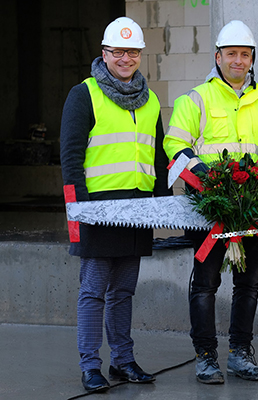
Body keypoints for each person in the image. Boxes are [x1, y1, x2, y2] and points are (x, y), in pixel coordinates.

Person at [164, 20, 258, 384]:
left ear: (252, 58)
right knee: (206, 283)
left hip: (255, 206)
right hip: (210, 209)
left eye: (244, 55)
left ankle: (240, 353)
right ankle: (206, 356)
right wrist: (205, 174)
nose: (238, 61)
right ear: (218, 57)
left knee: (248, 284)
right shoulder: (196, 99)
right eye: (231, 54)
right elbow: (174, 143)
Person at [60, 17, 172, 393]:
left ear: (140, 55)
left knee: (124, 290)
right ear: (104, 53)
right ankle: (91, 365)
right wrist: (79, 207)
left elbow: (158, 158)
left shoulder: (151, 98)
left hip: (138, 209)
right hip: (98, 208)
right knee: (93, 290)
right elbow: (71, 155)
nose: (126, 58)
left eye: (133, 52)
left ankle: (123, 360)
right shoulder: (85, 94)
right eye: (119, 51)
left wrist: (162, 205)